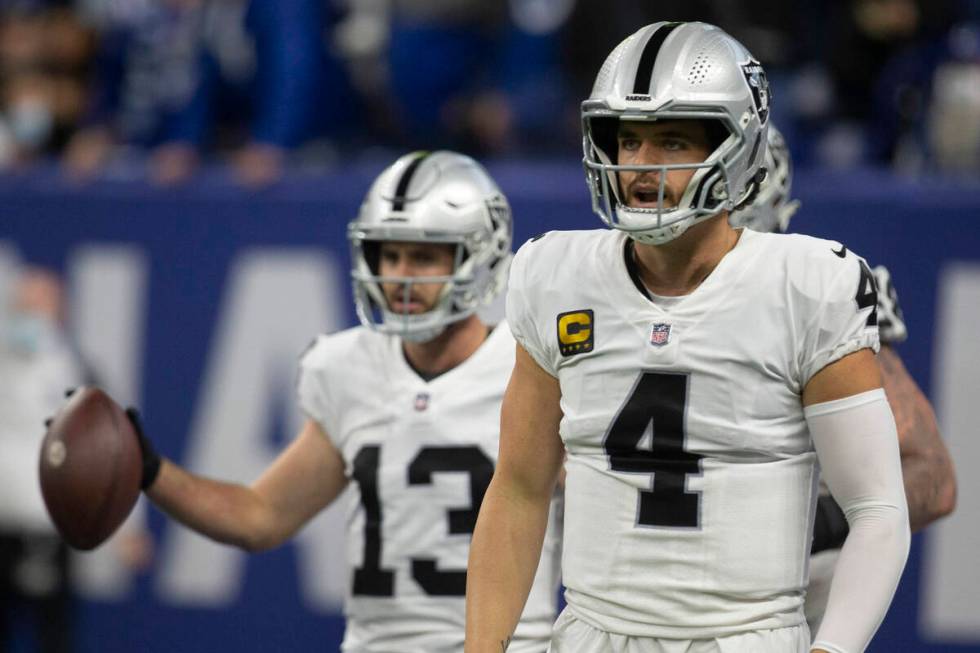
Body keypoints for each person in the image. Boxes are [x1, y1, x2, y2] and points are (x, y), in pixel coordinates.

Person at [466, 21, 910, 653]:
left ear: (736, 148)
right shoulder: (555, 276)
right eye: (627, 142)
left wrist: (832, 648)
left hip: (743, 637)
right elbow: (518, 486)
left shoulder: (808, 285)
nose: (641, 168)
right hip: (591, 635)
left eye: (671, 141)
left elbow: (878, 509)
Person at [123, 150, 560, 651]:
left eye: (423, 257)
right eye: (388, 255)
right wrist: (151, 471)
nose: (399, 276)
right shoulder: (349, 369)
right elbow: (259, 516)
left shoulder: (531, 368)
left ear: (481, 257)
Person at [730, 127, 957, 633]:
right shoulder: (614, 289)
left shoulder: (821, 295)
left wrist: (805, 526)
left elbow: (933, 478)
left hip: (781, 610)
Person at [0, 268, 84, 653]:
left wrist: (125, 529)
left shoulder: (74, 372)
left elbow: (103, 451)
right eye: (24, 304)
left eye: (40, 304)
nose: (30, 316)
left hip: (45, 525)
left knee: (52, 630)